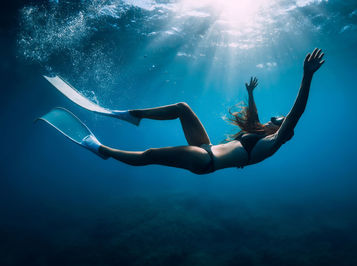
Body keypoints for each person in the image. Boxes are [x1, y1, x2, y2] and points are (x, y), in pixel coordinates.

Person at [41, 48, 325, 175]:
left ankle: (102, 150)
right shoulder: (261, 133)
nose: (274, 119)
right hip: (206, 147)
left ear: (283, 130)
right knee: (182, 108)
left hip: (206, 161)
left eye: (279, 120)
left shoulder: (274, 143)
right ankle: (133, 114)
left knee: (151, 154)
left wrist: (307, 75)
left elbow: (296, 112)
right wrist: (251, 94)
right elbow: (254, 120)